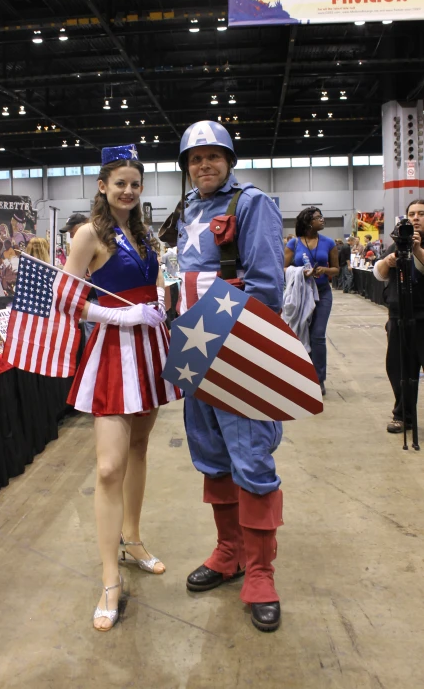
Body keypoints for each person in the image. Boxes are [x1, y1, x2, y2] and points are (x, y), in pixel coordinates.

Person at [161, 120, 285, 633]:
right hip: (195, 351)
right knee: (211, 457)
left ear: (229, 160)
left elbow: (266, 286)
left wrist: (201, 328)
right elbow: (181, 275)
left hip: (237, 352)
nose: (203, 165)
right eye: (194, 159)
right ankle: (229, 553)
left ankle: (260, 574)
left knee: (251, 460)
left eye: (212, 156)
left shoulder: (252, 204)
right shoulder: (188, 208)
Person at [63, 145, 181, 632]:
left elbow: (161, 283)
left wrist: (160, 300)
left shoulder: (145, 234)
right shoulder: (89, 233)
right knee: (109, 466)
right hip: (114, 351)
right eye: (121, 184)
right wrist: (118, 313)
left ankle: (131, 541)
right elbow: (67, 298)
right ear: (102, 186)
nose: (129, 191)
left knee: (138, 449)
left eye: (136, 184)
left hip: (152, 347)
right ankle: (109, 577)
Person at [373, 199, 424, 434]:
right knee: (399, 369)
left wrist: (417, 250)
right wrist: (387, 261)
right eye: (412, 213)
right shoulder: (397, 241)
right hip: (398, 315)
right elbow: (379, 274)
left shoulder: (416, 245)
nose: (415, 218)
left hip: (422, 315)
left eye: (421, 214)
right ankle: (403, 416)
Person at [284, 208, 339, 395]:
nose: (322, 220)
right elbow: (282, 268)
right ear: (308, 222)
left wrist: (325, 270)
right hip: (302, 293)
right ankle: (302, 376)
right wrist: (300, 272)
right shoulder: (294, 243)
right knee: (301, 333)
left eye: (322, 216)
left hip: (323, 293)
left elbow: (337, 269)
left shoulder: (329, 243)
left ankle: (318, 379)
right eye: (318, 218)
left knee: (317, 335)